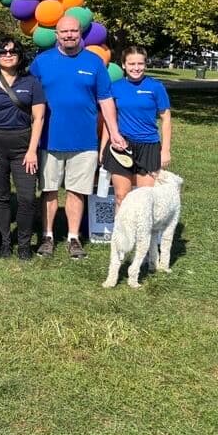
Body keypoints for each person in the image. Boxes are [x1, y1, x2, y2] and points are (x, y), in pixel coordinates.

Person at [30, 15, 127, 260]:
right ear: (56, 35)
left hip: (84, 141)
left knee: (77, 191)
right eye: (64, 32)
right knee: (49, 190)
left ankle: (73, 238)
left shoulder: (94, 62)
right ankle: (48, 235)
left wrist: (114, 132)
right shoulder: (41, 62)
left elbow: (105, 99)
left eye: (74, 31)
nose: (69, 35)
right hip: (48, 140)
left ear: (80, 33)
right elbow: (29, 98)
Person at [0, 38, 45, 260]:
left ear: (20, 55)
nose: (8, 54)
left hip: (23, 146)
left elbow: (39, 117)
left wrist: (32, 150)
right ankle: (5, 241)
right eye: (3, 51)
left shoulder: (32, 82)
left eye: (13, 51)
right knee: (2, 197)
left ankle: (24, 243)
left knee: (26, 198)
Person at [100, 46, 172, 210]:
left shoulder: (156, 87)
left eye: (140, 63)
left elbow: (166, 118)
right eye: (131, 64)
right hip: (121, 147)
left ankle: (142, 236)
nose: (136, 68)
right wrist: (104, 148)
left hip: (149, 146)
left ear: (145, 64)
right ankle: (121, 235)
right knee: (121, 197)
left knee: (144, 199)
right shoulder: (115, 87)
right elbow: (108, 120)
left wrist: (165, 150)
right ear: (124, 65)